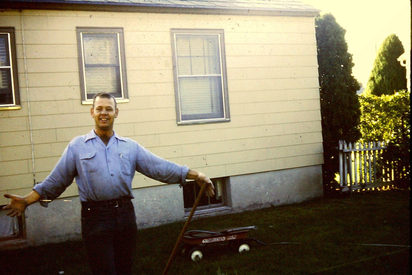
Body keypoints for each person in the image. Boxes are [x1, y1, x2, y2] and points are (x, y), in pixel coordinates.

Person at [3, 92, 215, 275]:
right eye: (99, 108)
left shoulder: (130, 147)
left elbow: (158, 167)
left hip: (125, 216)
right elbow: (56, 181)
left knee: (125, 270)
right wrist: (27, 200)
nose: (104, 113)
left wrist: (195, 175)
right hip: (95, 219)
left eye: (109, 109)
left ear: (116, 113)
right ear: (92, 112)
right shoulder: (77, 146)